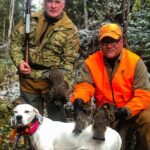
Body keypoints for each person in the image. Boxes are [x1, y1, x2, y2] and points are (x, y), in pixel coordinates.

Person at [71, 23, 150, 149]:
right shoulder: (91, 62)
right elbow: (84, 85)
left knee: (148, 119)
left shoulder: (135, 62)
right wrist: (79, 99)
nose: (109, 46)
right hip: (106, 112)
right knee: (116, 145)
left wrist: (126, 111)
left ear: (122, 41)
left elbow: (143, 95)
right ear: (100, 44)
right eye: (105, 42)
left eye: (113, 41)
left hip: (132, 110)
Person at [10, 0, 79, 122]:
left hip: (52, 82)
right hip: (28, 80)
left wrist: (63, 85)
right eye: (49, 1)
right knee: (29, 123)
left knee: (58, 123)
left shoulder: (70, 30)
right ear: (44, 3)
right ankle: (30, 142)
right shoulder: (29, 20)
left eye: (57, 2)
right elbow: (15, 43)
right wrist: (19, 62)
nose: (53, 5)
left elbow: (69, 61)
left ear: (64, 4)